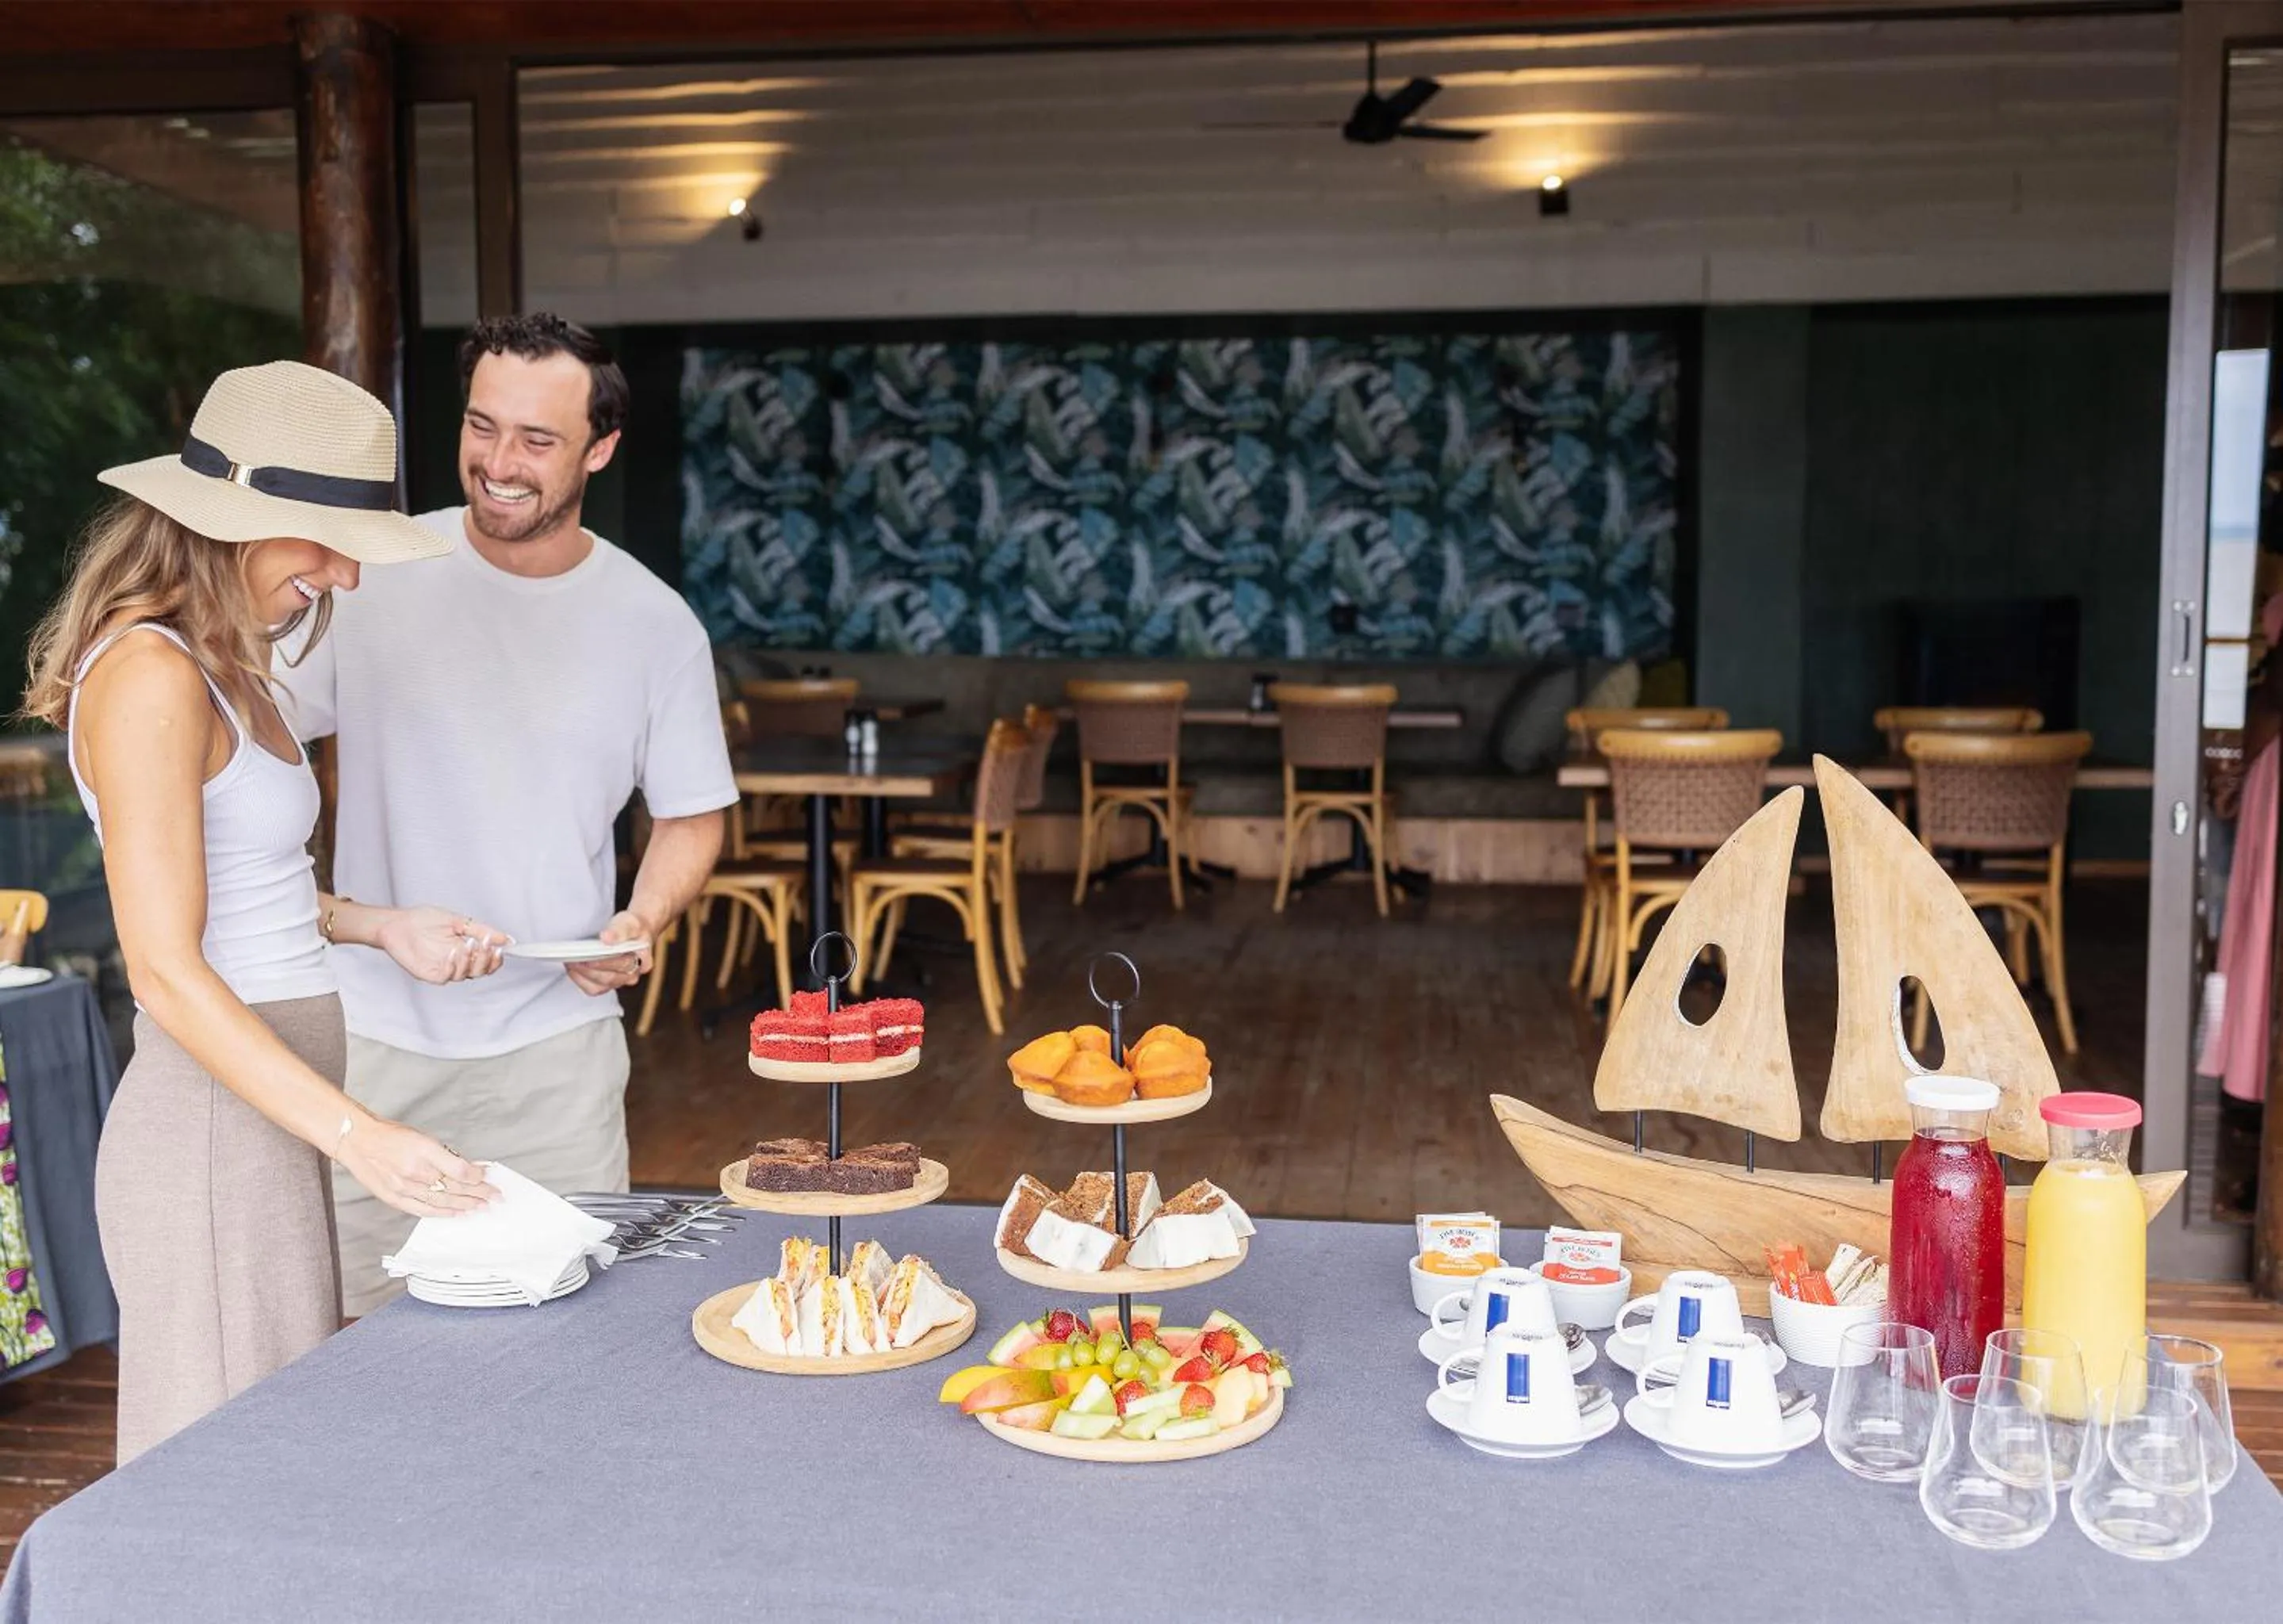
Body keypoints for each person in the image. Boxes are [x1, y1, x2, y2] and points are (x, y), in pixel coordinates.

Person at [20, 361, 509, 1464]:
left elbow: (239, 885)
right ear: (229, 520)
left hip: (264, 1119)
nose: (345, 574)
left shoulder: (218, 664)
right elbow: (163, 967)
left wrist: (379, 925)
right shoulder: (150, 675)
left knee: (278, 1463)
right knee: (227, 1481)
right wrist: (360, 1135)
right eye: (326, 540)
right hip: (211, 1131)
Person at [276, 313, 734, 1315]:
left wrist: (642, 917)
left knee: (569, 1333)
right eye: (482, 427)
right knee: (361, 1339)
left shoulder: (654, 623)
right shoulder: (371, 574)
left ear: (599, 449)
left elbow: (693, 813)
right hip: (375, 1043)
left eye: (536, 439)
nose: (498, 462)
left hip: (557, 1050)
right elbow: (251, 738)